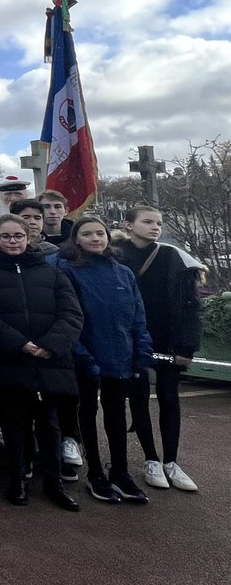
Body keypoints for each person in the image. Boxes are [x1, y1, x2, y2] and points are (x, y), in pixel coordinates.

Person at [0, 215, 84, 511]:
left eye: (18, 236)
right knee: (14, 423)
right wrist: (19, 343)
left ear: (28, 237)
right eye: (6, 236)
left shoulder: (51, 272)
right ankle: (18, 479)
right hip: (9, 359)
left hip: (49, 360)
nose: (12, 241)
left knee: (50, 423)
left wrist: (50, 345)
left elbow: (71, 314)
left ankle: (53, 482)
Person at [58, 218, 153, 504]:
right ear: (77, 240)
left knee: (116, 414)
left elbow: (138, 316)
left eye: (100, 233)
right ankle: (95, 473)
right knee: (86, 412)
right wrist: (84, 356)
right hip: (86, 356)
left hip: (120, 356)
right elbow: (69, 316)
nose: (95, 238)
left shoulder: (123, 272)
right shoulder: (68, 271)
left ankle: (120, 472)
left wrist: (141, 351)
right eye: (87, 234)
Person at [114, 206, 202, 492]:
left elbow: (191, 303)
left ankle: (171, 461)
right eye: (148, 222)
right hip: (131, 337)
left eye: (159, 223)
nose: (155, 228)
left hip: (168, 337)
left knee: (169, 397)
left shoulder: (171, 256)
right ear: (129, 225)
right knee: (138, 398)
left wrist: (187, 345)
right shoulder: (116, 255)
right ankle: (151, 459)